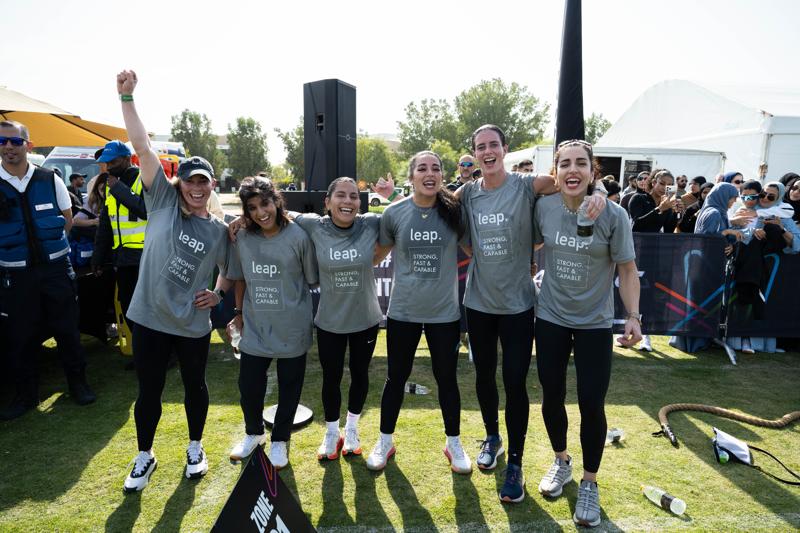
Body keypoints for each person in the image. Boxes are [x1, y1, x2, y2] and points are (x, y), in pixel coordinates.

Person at [455, 126, 606, 502]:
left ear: (504, 149)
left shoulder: (526, 185)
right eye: (480, 147)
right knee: (484, 377)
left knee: (515, 382)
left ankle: (516, 464)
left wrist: (599, 193)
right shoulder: (468, 193)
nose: (487, 151)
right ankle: (492, 437)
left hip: (519, 306)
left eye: (493, 145)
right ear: (474, 153)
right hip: (479, 303)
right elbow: (438, 204)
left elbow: (569, 180)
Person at [115, 71, 230, 493]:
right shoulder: (161, 200)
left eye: (204, 182)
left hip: (191, 324)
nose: (197, 188)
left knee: (194, 387)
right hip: (149, 317)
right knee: (149, 390)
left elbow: (230, 270)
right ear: (179, 182)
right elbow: (142, 146)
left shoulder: (219, 230)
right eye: (190, 181)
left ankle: (195, 448)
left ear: (211, 186)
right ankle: (144, 455)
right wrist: (127, 98)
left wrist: (217, 293)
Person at [533, 139, 641, 527]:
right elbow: (526, 240)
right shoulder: (544, 208)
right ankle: (561, 461)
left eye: (581, 163)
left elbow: (627, 269)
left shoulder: (614, 215)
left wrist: (633, 316)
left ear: (593, 171)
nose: (572, 170)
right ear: (556, 171)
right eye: (565, 164)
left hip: (594, 323)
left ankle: (590, 482)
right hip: (550, 318)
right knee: (551, 396)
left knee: (591, 403)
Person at [366, 151, 473, 474]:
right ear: (411, 176)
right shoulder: (394, 213)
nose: (430, 173)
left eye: (436, 168)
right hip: (403, 312)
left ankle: (454, 443)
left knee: (447, 379)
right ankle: (385, 441)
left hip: (444, 315)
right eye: (422, 168)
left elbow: (477, 251)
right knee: (396, 378)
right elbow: (374, 256)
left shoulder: (454, 212)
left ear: (442, 176)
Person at [0, 120, 96, 420]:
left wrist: (48, 251)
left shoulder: (49, 179)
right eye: (2, 142)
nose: (8, 147)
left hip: (56, 269)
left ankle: (78, 385)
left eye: (15, 141)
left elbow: (67, 220)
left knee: (67, 330)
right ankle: (25, 395)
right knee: (21, 337)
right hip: (15, 275)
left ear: (28, 145)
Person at [225, 177, 318, 470]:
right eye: (252, 207)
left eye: (265, 203)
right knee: (249, 385)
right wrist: (239, 312)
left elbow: (311, 278)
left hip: (293, 325)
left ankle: (280, 439)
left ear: (277, 201)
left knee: (290, 386)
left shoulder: (298, 236)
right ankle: (254, 434)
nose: (260, 212)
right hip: (256, 326)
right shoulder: (242, 237)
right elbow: (240, 278)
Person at [290, 177, 383, 462]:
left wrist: (390, 197)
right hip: (330, 321)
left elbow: (405, 216)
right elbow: (279, 212)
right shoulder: (314, 225)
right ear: (327, 202)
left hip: (365, 318)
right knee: (331, 377)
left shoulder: (371, 224)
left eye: (354, 196)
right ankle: (332, 432)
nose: (348, 201)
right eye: (340, 195)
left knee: (360, 373)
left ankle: (352, 429)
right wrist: (239, 221)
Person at [91, 140, 148, 341]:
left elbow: (146, 211)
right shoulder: (111, 184)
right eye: (106, 163)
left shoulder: (143, 179)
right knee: (128, 308)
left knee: (149, 309)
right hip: (123, 259)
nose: (109, 167)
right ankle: (143, 350)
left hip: (146, 257)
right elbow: (105, 225)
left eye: (113, 162)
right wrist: (98, 257)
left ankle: (160, 352)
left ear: (127, 159)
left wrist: (119, 189)